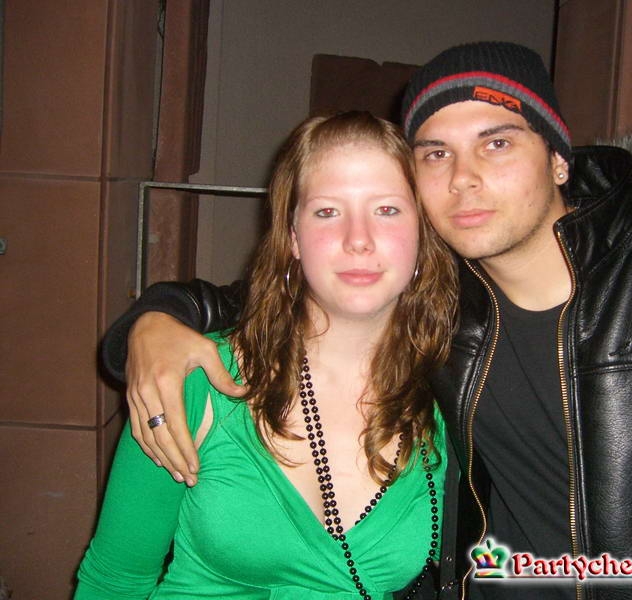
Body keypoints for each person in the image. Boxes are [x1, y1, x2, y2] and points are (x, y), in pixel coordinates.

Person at [101, 42, 632, 600]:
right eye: (436, 153)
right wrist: (152, 322)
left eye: (496, 143)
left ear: (559, 160)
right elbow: (285, 297)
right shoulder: (449, 309)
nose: (464, 177)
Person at [76, 111, 459, 599]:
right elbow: (114, 581)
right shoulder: (194, 380)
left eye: (387, 209)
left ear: (423, 233)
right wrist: (150, 320)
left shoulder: (452, 399)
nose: (358, 239)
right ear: (293, 237)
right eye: (327, 212)